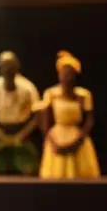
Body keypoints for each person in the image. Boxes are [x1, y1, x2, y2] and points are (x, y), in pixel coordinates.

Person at [38, 51, 100, 179]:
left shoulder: (84, 95)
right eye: (64, 73)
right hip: (56, 136)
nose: (66, 77)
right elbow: (45, 121)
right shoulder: (51, 93)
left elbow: (89, 120)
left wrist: (78, 141)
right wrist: (52, 142)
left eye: (70, 73)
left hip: (77, 137)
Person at [0, 51, 41, 176]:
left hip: (23, 132)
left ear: (17, 68)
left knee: (25, 172)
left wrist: (23, 134)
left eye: (11, 66)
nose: (8, 70)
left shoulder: (28, 87)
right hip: (0, 132)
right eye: (4, 66)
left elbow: (37, 115)